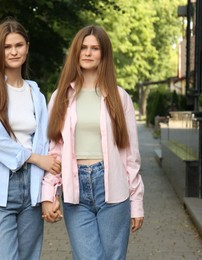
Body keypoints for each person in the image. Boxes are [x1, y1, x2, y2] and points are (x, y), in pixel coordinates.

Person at [41, 25, 144, 260]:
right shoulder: (60, 97)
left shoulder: (120, 97)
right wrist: (48, 194)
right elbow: (54, 151)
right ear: (76, 53)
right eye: (83, 48)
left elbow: (131, 156)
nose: (88, 53)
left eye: (94, 48)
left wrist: (136, 203)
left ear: (103, 54)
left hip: (113, 189)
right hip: (75, 189)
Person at [0, 18, 61, 260]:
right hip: (0, 187)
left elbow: (47, 144)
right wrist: (34, 158)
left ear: (27, 47)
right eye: (7, 47)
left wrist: (49, 191)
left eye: (18, 45)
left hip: (32, 188)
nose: (13, 51)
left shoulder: (36, 93)